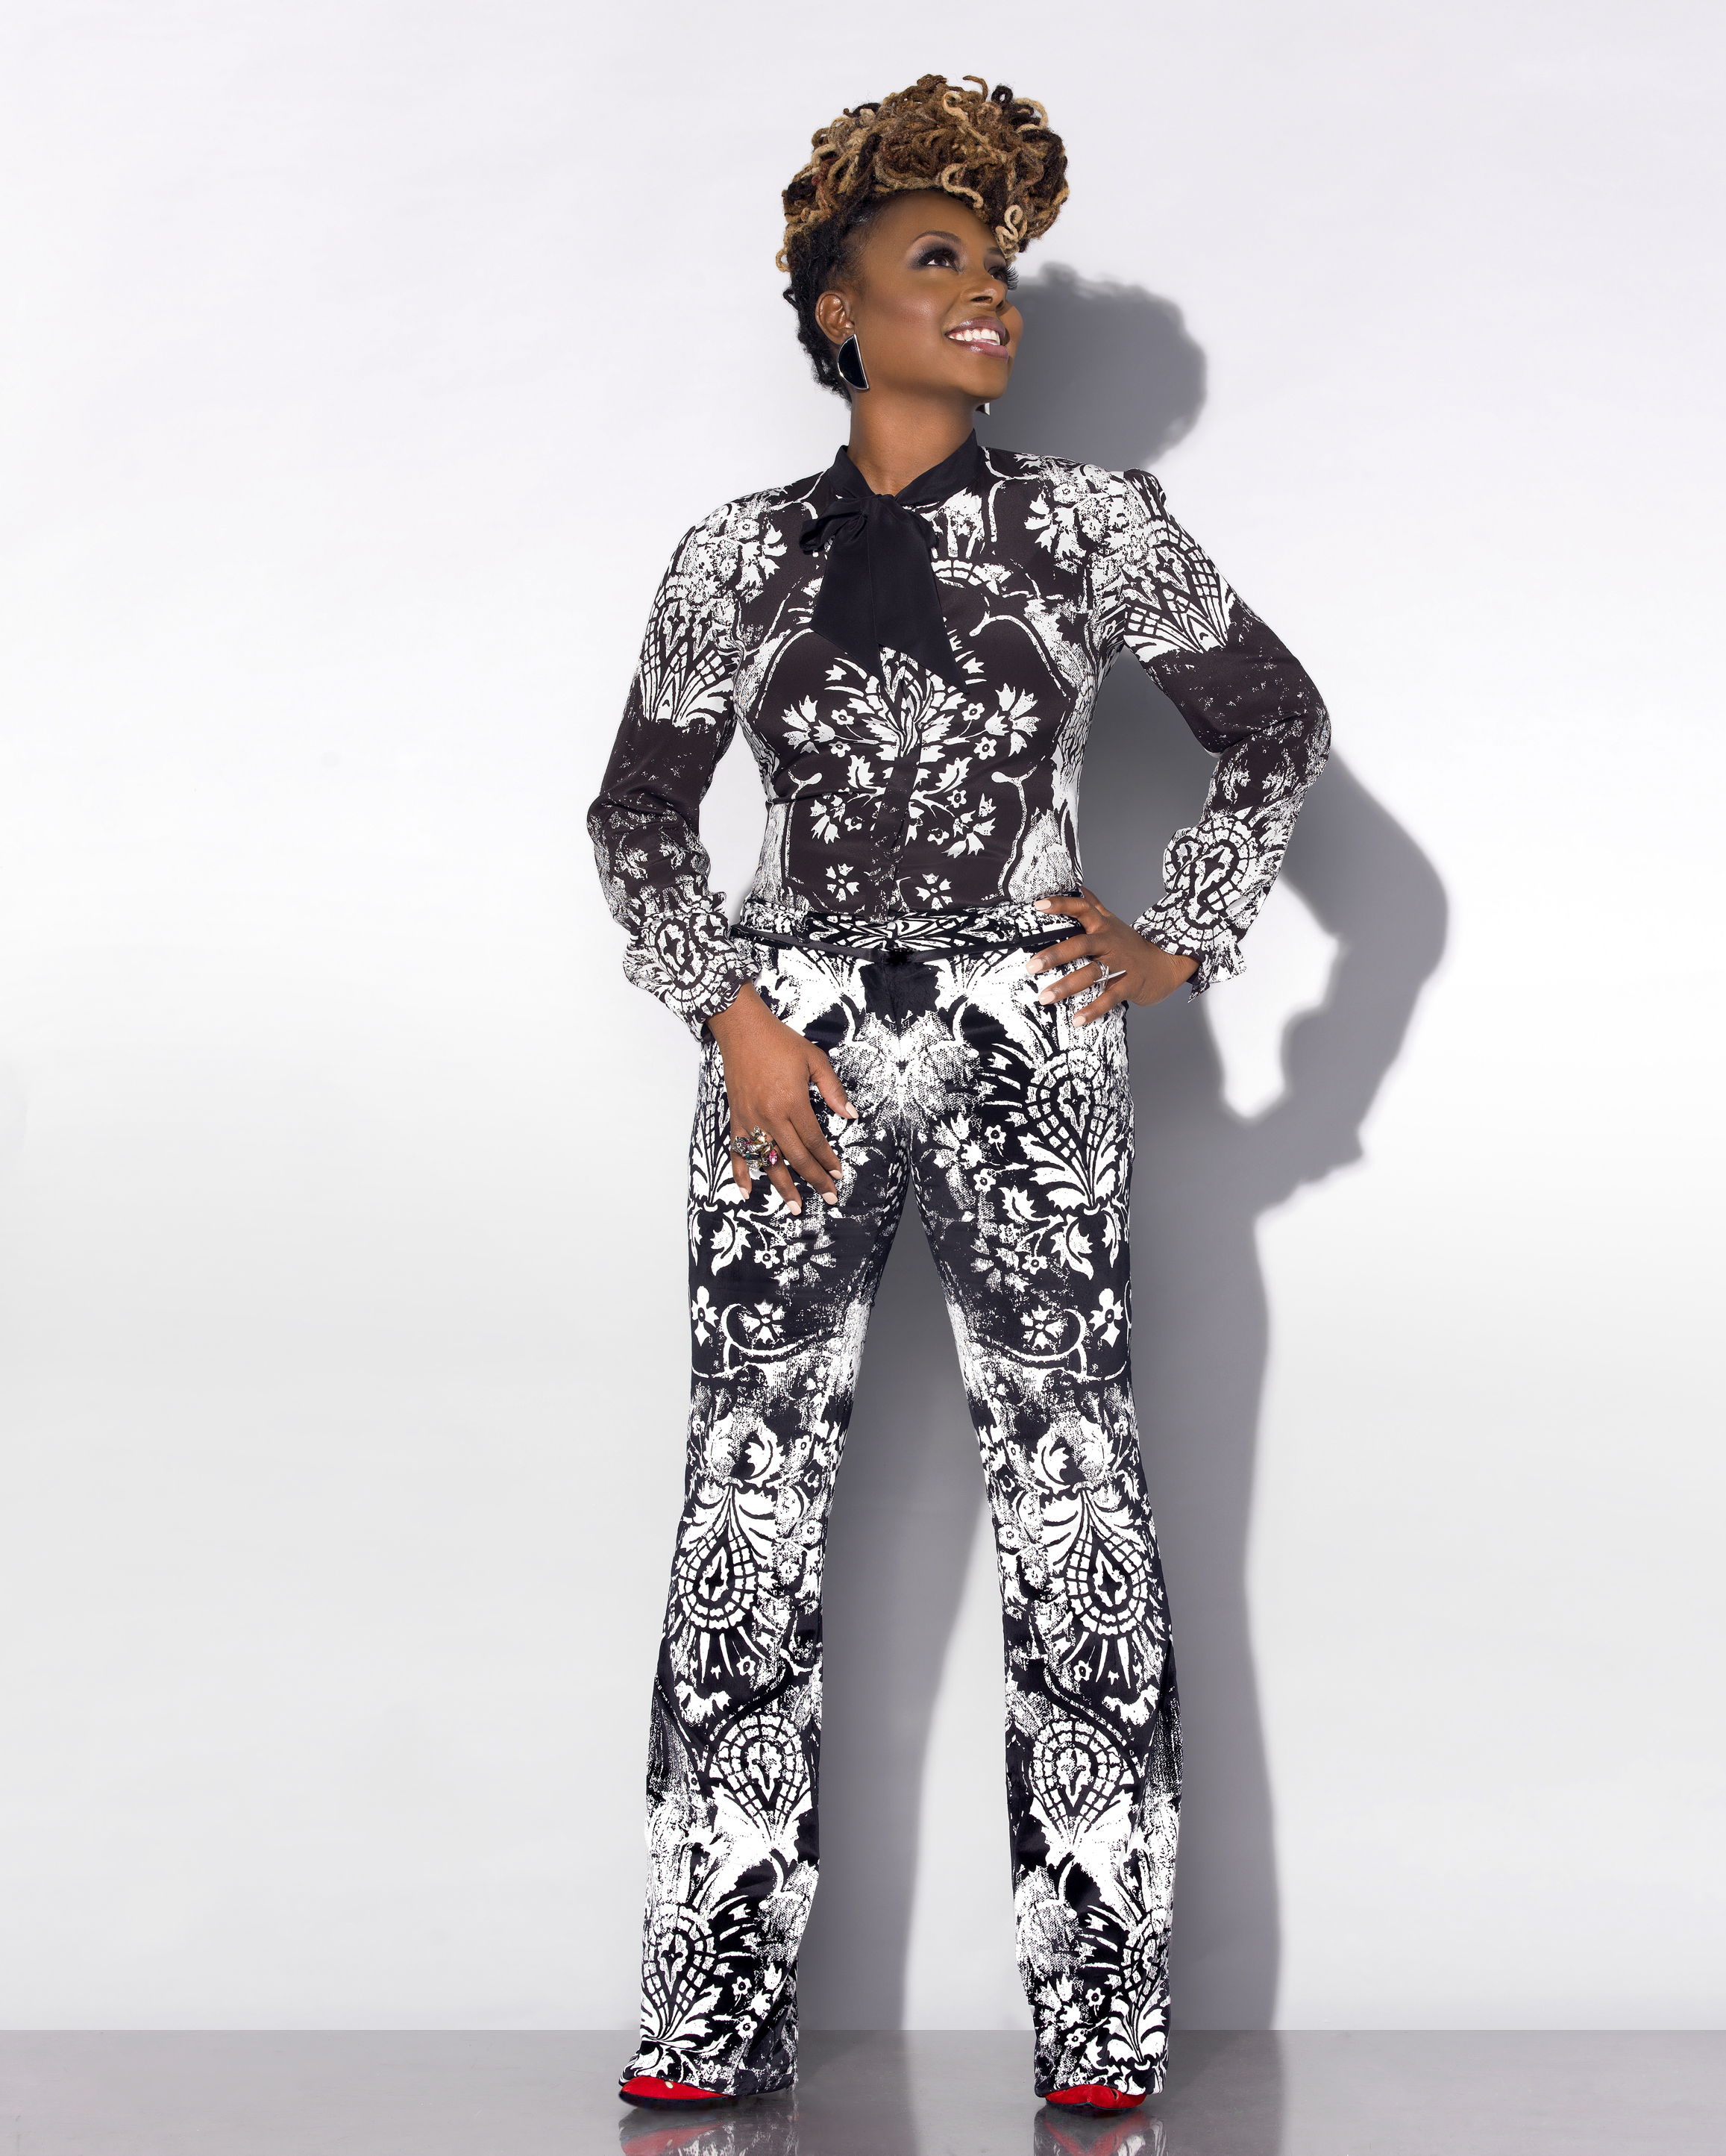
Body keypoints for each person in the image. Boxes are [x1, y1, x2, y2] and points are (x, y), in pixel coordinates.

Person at [589, 73, 1330, 2119]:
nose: (989, 295)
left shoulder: (1094, 523)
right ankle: (706, 2008)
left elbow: (1272, 725)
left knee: (1074, 1494)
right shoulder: (737, 553)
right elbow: (638, 816)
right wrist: (727, 1010)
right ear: (841, 311)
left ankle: (1104, 2021)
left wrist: (1180, 933)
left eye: (998, 268)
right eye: (941, 264)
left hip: (1028, 1030)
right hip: (792, 1040)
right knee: (747, 1499)